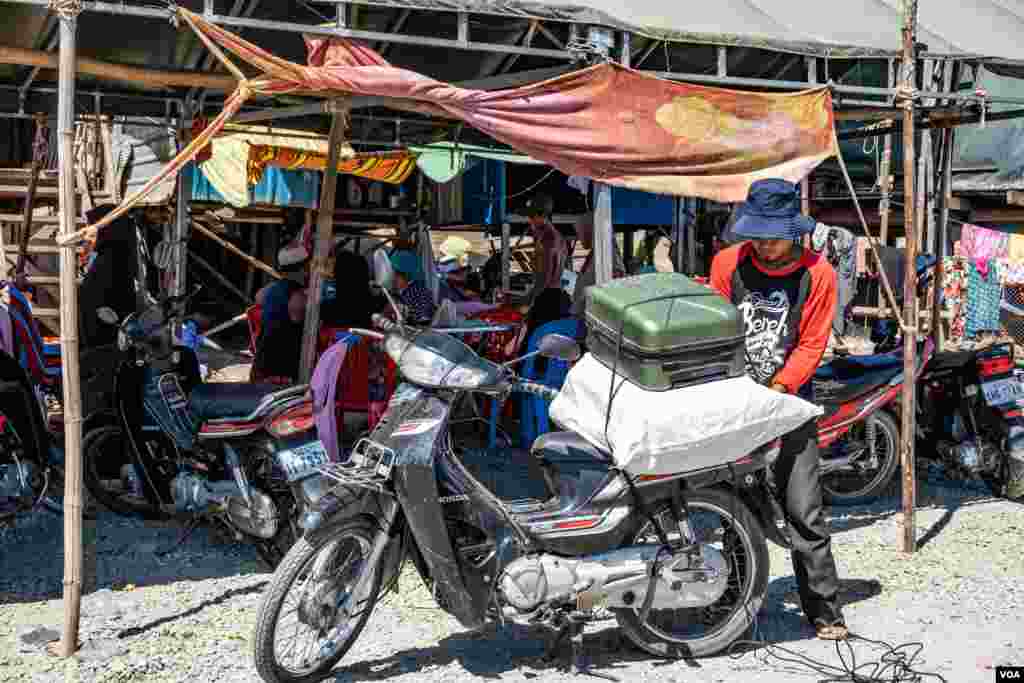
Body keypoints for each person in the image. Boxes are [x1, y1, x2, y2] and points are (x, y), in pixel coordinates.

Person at [708, 178, 848, 641]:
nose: (765, 246)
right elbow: (715, 329)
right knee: (735, 508)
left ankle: (825, 611)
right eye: (757, 235)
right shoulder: (728, 263)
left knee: (804, 511)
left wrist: (778, 388)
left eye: (773, 236)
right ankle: (734, 601)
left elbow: (811, 344)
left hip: (790, 405)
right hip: (735, 406)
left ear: (794, 232)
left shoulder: (819, 274)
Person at [521, 193, 571, 346]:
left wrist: (528, 300)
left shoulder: (548, 238)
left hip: (547, 299)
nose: (529, 221)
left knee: (533, 346)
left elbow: (545, 277)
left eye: (531, 216)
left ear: (540, 216)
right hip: (557, 297)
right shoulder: (559, 237)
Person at [570, 211, 625, 319]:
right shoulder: (597, 253)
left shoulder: (608, 255)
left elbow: (613, 291)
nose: (579, 238)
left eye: (580, 232)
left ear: (591, 230)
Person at [389, 249, 436, 324]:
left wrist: (408, 316)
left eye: (396, 274)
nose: (392, 278)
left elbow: (424, 320)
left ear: (407, 275)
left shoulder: (420, 293)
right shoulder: (394, 292)